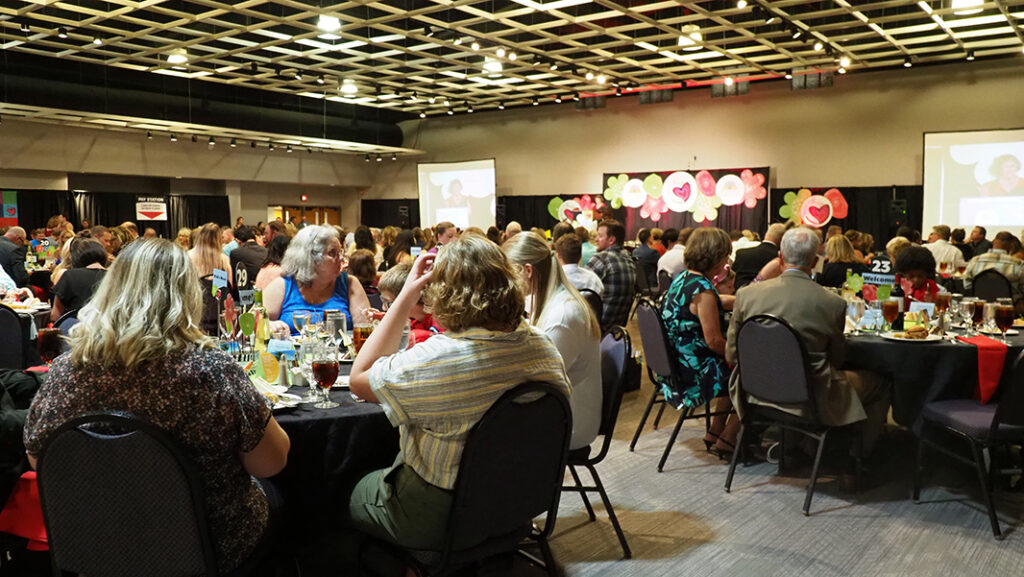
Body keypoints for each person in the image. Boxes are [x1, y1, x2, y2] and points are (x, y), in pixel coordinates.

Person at [23, 239, 290, 574]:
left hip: (95, 547)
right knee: (278, 496)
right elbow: (271, 463)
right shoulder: (212, 371)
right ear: (186, 295)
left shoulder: (66, 371)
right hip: (208, 551)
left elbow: (40, 457)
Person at [347, 236, 570, 551]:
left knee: (351, 488)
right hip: (520, 503)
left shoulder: (438, 357)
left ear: (443, 292)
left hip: (444, 516)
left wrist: (405, 294)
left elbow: (358, 379)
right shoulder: (543, 346)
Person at [727, 227, 890, 457]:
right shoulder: (831, 303)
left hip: (754, 394)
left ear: (780, 257)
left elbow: (732, 355)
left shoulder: (746, 295)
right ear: (815, 261)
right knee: (881, 382)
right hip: (811, 397)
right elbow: (837, 359)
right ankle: (854, 462)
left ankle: (799, 446)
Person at [505, 232, 602, 450]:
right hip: (561, 410)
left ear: (528, 271)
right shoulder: (551, 300)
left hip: (571, 423)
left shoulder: (562, 316)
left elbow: (536, 388)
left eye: (509, 274)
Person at [660, 228, 738, 454]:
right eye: (725, 256)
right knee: (752, 374)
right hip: (693, 373)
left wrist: (743, 299)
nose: (726, 262)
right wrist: (741, 354)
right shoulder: (703, 289)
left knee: (733, 366)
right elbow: (713, 341)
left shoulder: (683, 280)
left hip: (675, 364)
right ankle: (729, 437)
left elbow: (709, 302)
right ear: (716, 256)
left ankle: (715, 430)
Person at [264, 225, 370, 335]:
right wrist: (268, 325)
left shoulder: (350, 284)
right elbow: (252, 324)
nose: (342, 258)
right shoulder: (283, 285)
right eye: (332, 253)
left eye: (341, 252)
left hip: (340, 351)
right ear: (310, 258)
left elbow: (366, 331)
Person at [375, 262, 444, 345]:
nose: (384, 308)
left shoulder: (441, 322)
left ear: (412, 298)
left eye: (389, 303)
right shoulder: (415, 319)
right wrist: (383, 318)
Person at [585, 220, 636, 332]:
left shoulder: (601, 259)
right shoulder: (629, 259)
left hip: (597, 328)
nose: (596, 239)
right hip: (617, 329)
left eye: (600, 236)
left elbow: (579, 291)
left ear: (611, 239)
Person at [963, 231, 1024, 311]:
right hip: (1009, 312)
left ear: (993, 242)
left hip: (980, 310)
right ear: (1011, 245)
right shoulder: (1018, 264)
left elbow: (967, 286)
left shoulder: (974, 261)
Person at [50, 237, 107, 322]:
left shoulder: (70, 275)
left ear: (75, 257)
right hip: (109, 330)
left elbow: (55, 316)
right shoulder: (116, 275)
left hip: (75, 329)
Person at [733, 223, 786, 290]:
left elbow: (732, 278)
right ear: (782, 240)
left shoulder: (741, 254)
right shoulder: (779, 259)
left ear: (766, 234)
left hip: (739, 296)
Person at [229, 225, 267, 295]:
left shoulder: (235, 253)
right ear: (255, 237)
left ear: (238, 241)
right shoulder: (267, 251)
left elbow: (234, 279)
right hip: (265, 291)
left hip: (246, 295)